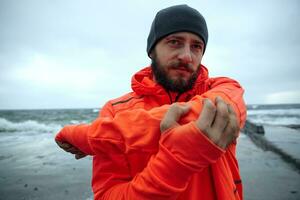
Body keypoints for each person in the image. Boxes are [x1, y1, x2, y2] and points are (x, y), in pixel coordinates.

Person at [55, 4, 246, 200]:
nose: (187, 56)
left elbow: (198, 115)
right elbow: (108, 195)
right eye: (174, 42)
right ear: (152, 50)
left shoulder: (226, 88)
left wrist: (87, 137)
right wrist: (174, 163)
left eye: (197, 46)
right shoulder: (115, 110)